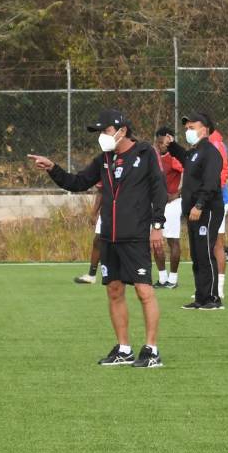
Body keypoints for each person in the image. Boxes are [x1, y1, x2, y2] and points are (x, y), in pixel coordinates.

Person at [28, 109, 168, 367]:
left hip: (136, 235)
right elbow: (78, 182)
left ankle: (151, 350)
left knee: (143, 290)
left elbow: (160, 190)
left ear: (122, 131)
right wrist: (53, 168)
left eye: (105, 131)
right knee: (114, 291)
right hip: (109, 236)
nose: (102, 137)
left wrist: (157, 225)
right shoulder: (104, 158)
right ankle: (124, 349)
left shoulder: (146, 153)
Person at [167, 112, 225, 310]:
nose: (188, 130)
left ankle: (213, 298)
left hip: (206, 210)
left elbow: (210, 183)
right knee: (196, 254)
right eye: (186, 127)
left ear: (205, 129)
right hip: (192, 212)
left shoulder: (210, 152)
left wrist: (199, 205)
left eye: (192, 127)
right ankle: (200, 297)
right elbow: (185, 158)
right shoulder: (194, 152)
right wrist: (172, 145)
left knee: (205, 253)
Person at [152, 126, 183, 289]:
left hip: (172, 205)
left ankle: (173, 279)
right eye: (158, 142)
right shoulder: (155, 158)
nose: (160, 145)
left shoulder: (174, 158)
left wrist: (177, 193)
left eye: (162, 142)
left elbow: (191, 173)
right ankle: (162, 278)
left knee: (172, 241)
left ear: (169, 140)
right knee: (156, 241)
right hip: (157, 205)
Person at [209, 125, 228, 299]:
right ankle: (210, 288)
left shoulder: (215, 144)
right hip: (210, 201)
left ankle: (218, 289)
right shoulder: (210, 143)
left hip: (216, 201)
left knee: (216, 244)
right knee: (209, 245)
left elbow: (221, 175)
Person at [74, 183, 106, 284]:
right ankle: (91, 275)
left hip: (129, 210)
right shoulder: (106, 167)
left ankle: (137, 274)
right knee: (98, 241)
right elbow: (101, 191)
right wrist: (94, 212)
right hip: (108, 210)